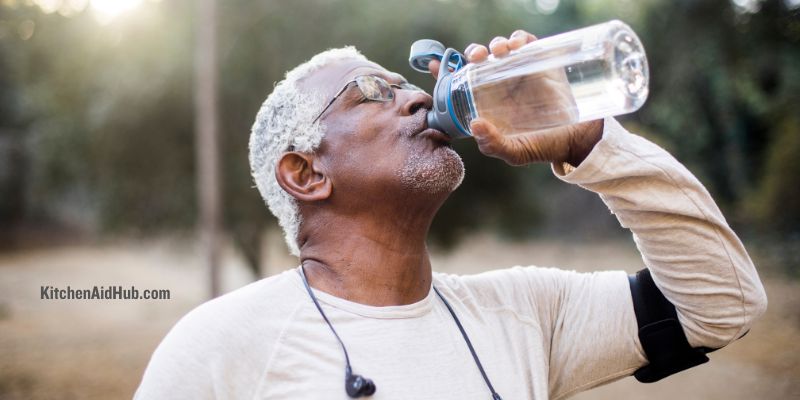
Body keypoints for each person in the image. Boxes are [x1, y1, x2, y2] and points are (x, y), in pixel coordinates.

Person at [134, 30, 767, 399]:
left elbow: (724, 304)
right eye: (373, 93)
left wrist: (589, 145)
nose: (414, 96)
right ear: (306, 173)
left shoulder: (526, 313)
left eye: (404, 83)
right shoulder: (219, 348)